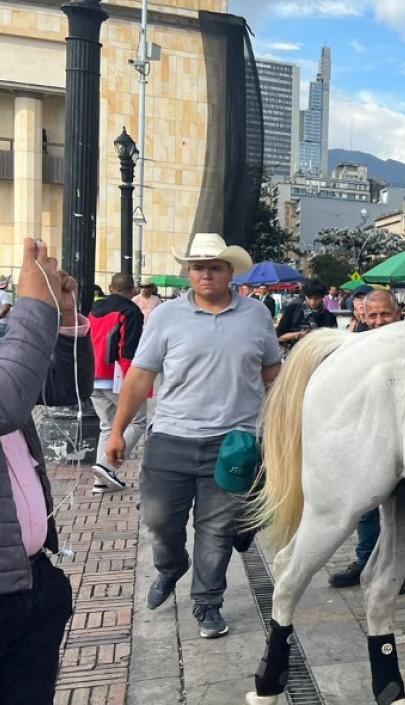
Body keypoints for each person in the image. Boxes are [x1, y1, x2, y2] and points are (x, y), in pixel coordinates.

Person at [106, 233, 282, 639]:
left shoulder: (256, 315)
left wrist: (284, 427)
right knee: (159, 522)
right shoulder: (166, 317)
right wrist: (117, 432)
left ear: (229, 272)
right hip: (171, 438)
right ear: (189, 272)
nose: (206, 274)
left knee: (216, 530)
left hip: (233, 444)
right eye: (199, 267)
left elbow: (273, 375)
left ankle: (207, 602)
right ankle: (170, 568)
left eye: (215, 267)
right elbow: (139, 376)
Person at [0, 239, 92, 705]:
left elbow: (63, 391)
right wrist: (35, 307)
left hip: (30, 580)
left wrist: (65, 319)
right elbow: (7, 403)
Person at [328, 291, 405, 594]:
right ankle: (365, 560)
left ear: (398, 313)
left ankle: (398, 570)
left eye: (385, 315)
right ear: (363, 318)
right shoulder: (356, 348)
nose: (379, 321)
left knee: (402, 514)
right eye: (372, 316)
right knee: (366, 508)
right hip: (367, 443)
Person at [87, 273, 146, 494]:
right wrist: (136, 383)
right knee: (137, 421)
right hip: (117, 375)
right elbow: (128, 350)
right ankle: (106, 466)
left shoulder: (93, 310)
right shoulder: (131, 311)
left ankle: (101, 480)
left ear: (110, 288)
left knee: (107, 426)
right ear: (132, 291)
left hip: (93, 375)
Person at [276, 279, 338, 349]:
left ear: (322, 297)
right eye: (309, 298)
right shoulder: (292, 310)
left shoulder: (329, 317)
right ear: (305, 296)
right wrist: (298, 334)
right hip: (292, 353)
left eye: (316, 299)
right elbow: (279, 337)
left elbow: (333, 341)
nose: (312, 302)